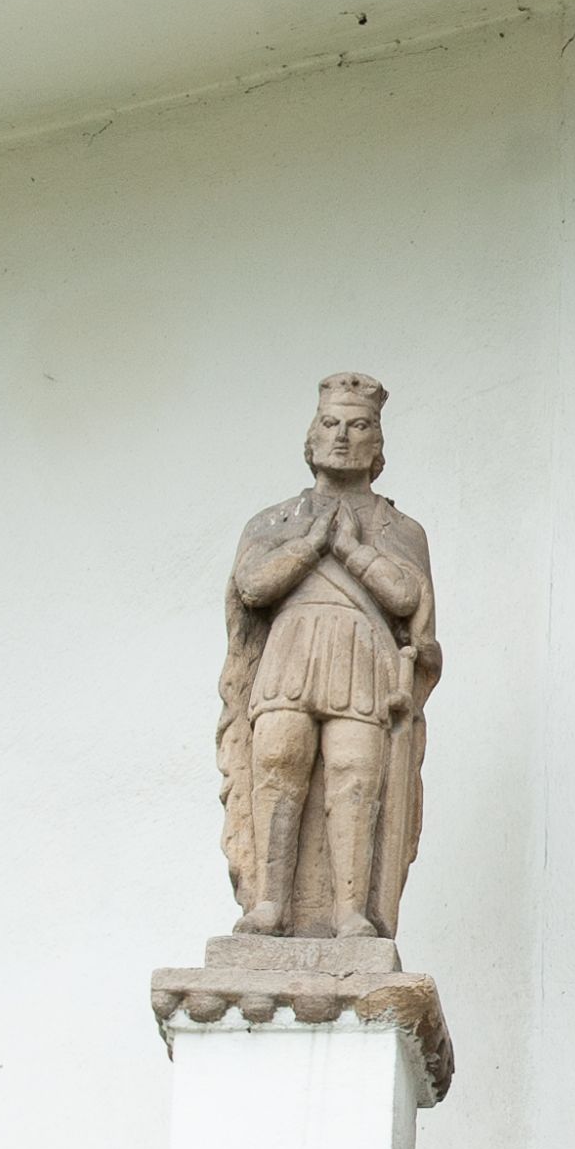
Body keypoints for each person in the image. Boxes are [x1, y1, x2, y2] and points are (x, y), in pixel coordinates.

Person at [216, 373, 439, 939]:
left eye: (358, 425)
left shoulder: (399, 527)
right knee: (278, 763)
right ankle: (269, 903)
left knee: (354, 774)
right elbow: (252, 586)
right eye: (330, 423)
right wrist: (310, 544)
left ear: (377, 445)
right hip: (291, 651)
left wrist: (349, 549)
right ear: (312, 438)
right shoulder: (275, 520)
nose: (342, 436)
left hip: (362, 656)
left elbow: (406, 597)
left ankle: (349, 912)